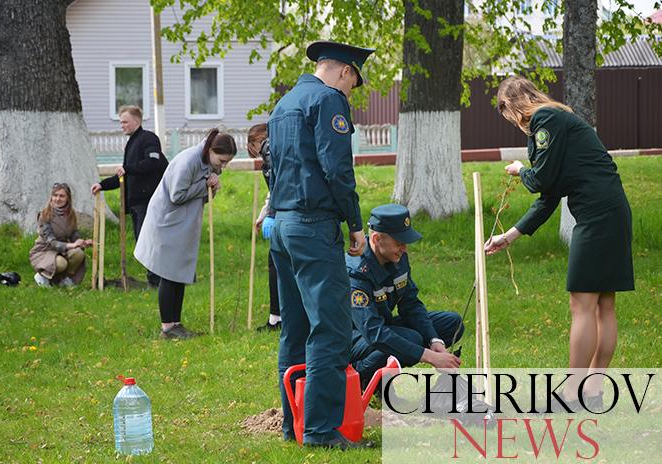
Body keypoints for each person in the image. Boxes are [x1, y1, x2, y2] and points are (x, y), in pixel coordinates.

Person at [485, 76, 634, 411]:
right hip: (612, 210)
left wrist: (520, 170)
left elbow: (540, 181)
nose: (511, 121)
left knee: (582, 304)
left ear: (513, 104)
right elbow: (550, 197)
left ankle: (572, 392)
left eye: (506, 113)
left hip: (596, 216)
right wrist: (510, 236)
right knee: (603, 305)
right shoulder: (558, 118)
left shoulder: (545, 120)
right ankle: (592, 390)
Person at [267, 41, 374, 449]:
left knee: (293, 329)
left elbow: (271, 166)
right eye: (353, 85)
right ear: (345, 72)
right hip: (314, 226)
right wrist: (355, 225)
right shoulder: (329, 100)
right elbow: (336, 168)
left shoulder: (284, 103)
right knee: (330, 327)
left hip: (282, 226)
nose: (350, 93)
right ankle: (320, 429)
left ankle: (291, 423)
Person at [134, 129, 237, 340]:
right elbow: (177, 194)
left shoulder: (208, 163)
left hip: (182, 224)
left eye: (226, 162)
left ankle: (176, 324)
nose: (223, 166)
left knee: (179, 274)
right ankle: (167, 328)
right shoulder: (188, 160)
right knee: (169, 274)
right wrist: (205, 185)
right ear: (210, 150)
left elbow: (203, 196)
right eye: (222, 160)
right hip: (167, 222)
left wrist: (212, 187)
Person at [348, 204, 463, 389]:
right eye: (399, 242)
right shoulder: (356, 273)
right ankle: (361, 378)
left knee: (452, 323)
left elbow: (411, 304)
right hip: (354, 338)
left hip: (383, 326)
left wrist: (434, 341)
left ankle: (382, 376)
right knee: (412, 339)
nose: (404, 248)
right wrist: (429, 357)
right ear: (377, 239)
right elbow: (373, 332)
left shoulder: (397, 258)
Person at [91, 105, 168, 288]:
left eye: (125, 121)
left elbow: (153, 162)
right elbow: (125, 176)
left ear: (137, 121)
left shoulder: (148, 138)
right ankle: (155, 279)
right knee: (144, 242)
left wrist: (128, 169)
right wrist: (102, 185)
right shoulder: (132, 142)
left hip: (149, 201)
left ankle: (158, 281)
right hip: (136, 204)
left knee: (150, 242)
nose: (122, 125)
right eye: (120, 122)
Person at [247, 123, 281, 331]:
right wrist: (264, 214)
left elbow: (279, 186)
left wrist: (272, 215)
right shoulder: (271, 155)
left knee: (277, 265)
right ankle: (276, 317)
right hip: (278, 214)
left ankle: (279, 318)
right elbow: (273, 191)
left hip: (286, 217)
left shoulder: (272, 153)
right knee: (275, 264)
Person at [29, 183, 92, 287]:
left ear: (68, 198)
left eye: (62, 196)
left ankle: (63, 279)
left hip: (61, 250)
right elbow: (52, 242)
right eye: (55, 195)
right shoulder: (44, 215)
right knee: (61, 264)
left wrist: (83, 242)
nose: (57, 199)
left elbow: (74, 237)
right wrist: (72, 245)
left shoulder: (71, 214)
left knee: (79, 253)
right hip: (44, 250)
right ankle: (42, 277)